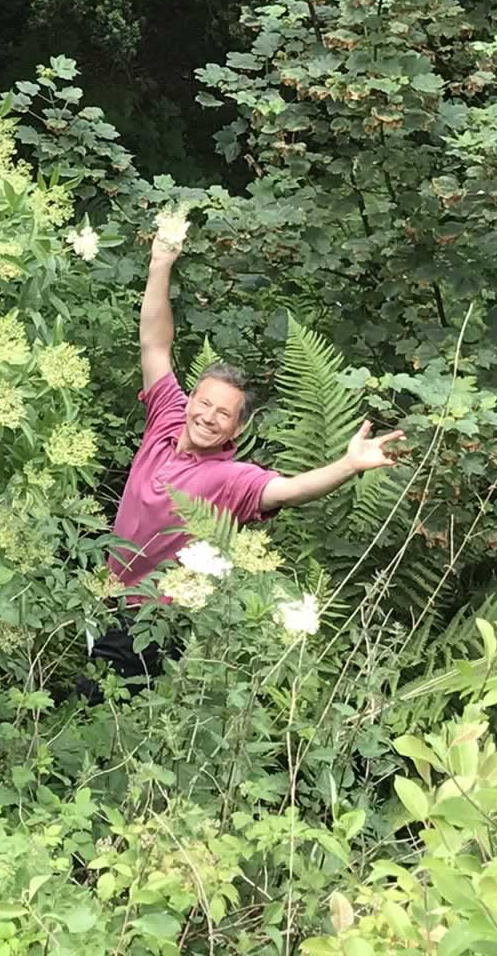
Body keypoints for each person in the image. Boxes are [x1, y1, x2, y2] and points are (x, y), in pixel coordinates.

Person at [85, 234, 404, 694]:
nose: (208, 418)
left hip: (154, 620)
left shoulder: (230, 478)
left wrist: (349, 465)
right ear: (190, 399)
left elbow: (291, 490)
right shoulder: (166, 416)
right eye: (205, 404)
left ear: (236, 430)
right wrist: (160, 264)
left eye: (223, 415)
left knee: (105, 707)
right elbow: (155, 345)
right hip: (103, 595)